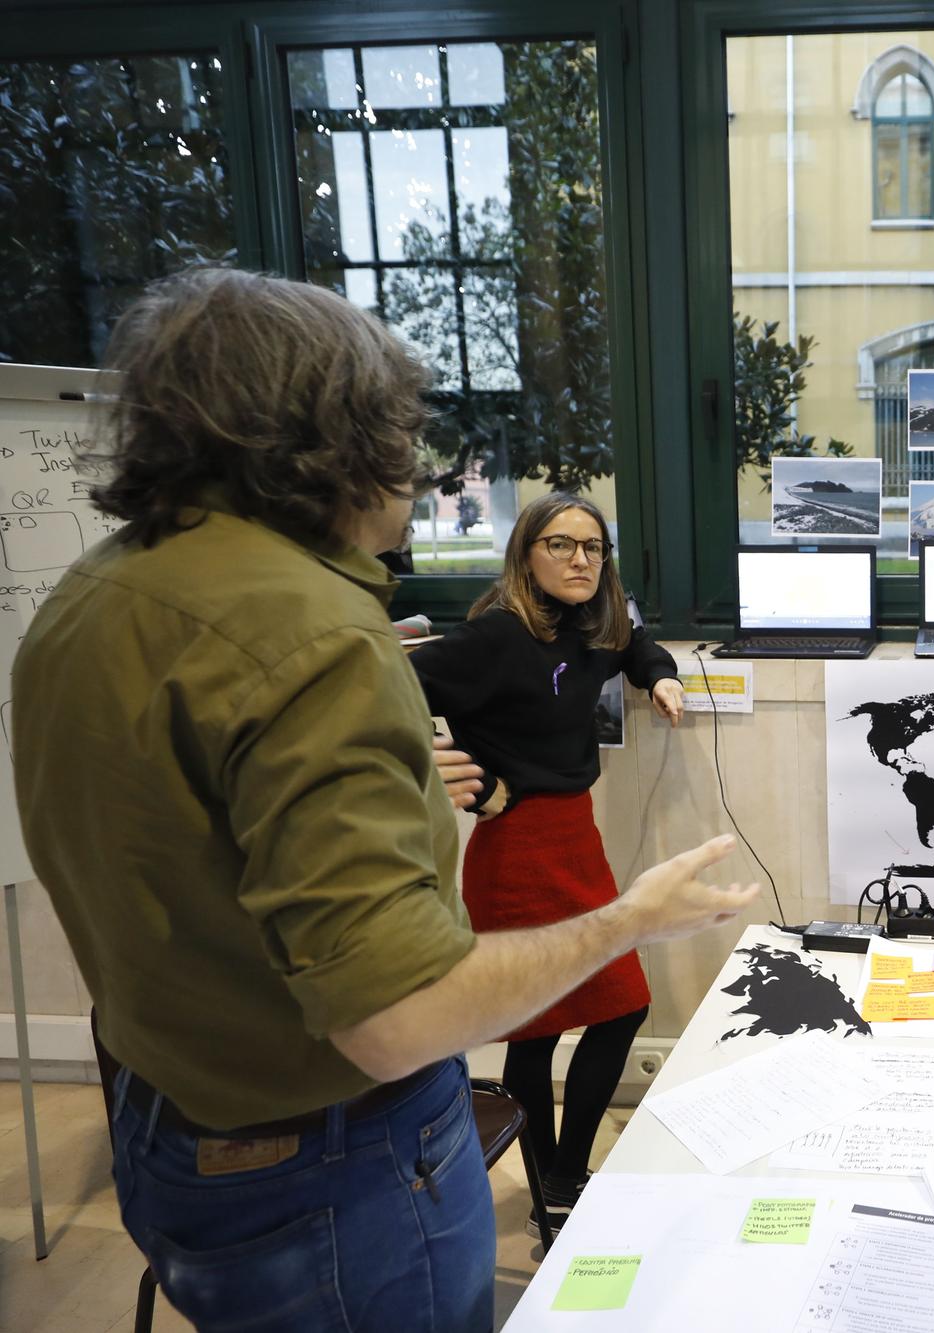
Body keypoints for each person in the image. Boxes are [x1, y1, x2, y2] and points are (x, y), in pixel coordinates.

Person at [11, 267, 760, 1333]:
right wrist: (634, 918)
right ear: (340, 434)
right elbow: (398, 1015)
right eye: (405, 430)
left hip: (172, 1118)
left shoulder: (95, 591)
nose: (417, 463)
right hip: (324, 1161)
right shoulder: (310, 629)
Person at [410, 491, 685, 1233]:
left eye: (593, 547)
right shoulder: (497, 637)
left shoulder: (592, 624)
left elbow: (634, 643)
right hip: (518, 850)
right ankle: (552, 1190)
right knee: (536, 1028)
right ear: (526, 554)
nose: (580, 559)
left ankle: (563, 1173)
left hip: (576, 840)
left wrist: (659, 675)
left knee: (620, 1003)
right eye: (560, 545)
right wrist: (465, 778)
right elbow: (385, 693)